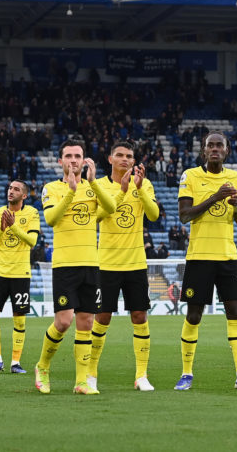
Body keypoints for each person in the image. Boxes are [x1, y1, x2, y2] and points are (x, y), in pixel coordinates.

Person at [175, 132, 237, 390]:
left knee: (236, 313)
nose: (214, 149)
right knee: (194, 315)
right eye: (210, 145)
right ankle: (186, 374)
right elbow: (184, 216)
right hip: (199, 257)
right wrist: (215, 197)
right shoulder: (190, 176)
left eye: (219, 145)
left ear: (227, 151)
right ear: (203, 151)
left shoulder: (235, 177)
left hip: (228, 256)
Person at [34, 139, 116, 396]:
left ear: (84, 160)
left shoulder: (94, 187)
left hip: (90, 263)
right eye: (68, 156)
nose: (73, 160)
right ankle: (43, 366)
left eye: (77, 156)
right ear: (60, 161)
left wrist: (91, 183)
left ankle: (82, 381)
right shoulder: (51, 188)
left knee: (86, 321)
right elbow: (51, 219)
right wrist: (70, 191)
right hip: (65, 264)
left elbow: (111, 208)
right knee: (63, 321)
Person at [86, 141, 158, 392]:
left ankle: (141, 375)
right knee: (102, 317)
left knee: (139, 317)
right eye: (120, 155)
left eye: (129, 156)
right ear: (110, 158)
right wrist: (122, 191)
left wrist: (139, 190)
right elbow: (95, 218)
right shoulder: (99, 186)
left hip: (136, 263)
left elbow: (153, 215)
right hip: (105, 263)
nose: (125, 159)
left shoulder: (144, 184)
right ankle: (91, 373)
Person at [0, 179, 40, 375]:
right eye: (9, 188)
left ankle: (16, 362)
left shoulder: (32, 213)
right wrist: (2, 229)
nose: (11, 191)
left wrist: (14, 226)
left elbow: (32, 241)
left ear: (24, 195)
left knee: (19, 319)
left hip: (21, 273)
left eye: (16, 189)